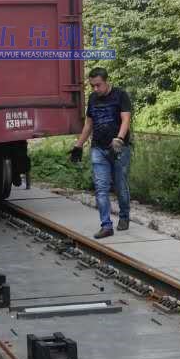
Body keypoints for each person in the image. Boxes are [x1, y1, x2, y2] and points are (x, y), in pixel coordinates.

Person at [70, 67, 133, 238]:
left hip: (119, 149)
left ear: (106, 81)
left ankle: (124, 216)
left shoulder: (120, 95)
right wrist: (78, 145)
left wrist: (119, 139)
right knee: (101, 187)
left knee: (120, 185)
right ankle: (106, 225)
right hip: (98, 148)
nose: (95, 89)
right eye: (92, 86)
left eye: (98, 85)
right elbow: (88, 124)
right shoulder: (93, 98)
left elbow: (126, 119)